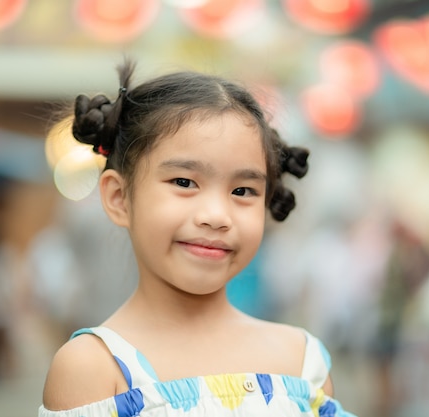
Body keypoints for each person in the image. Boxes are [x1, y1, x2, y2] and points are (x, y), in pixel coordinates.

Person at [38, 59, 356, 417]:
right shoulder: (95, 368)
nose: (217, 217)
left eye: (243, 190)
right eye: (184, 183)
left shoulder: (303, 362)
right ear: (119, 198)